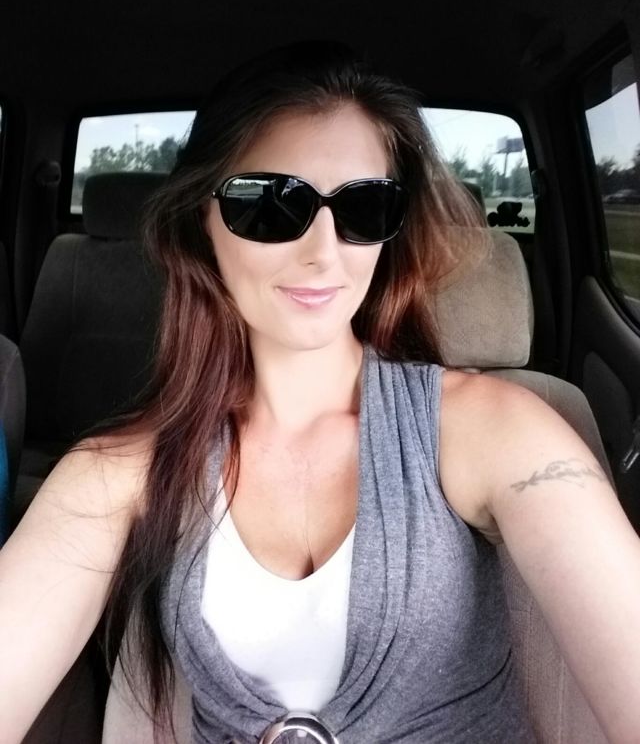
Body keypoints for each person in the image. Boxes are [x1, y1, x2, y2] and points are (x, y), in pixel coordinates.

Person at [1, 41, 639, 744]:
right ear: (201, 221)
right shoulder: (119, 471)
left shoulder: (498, 430)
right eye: (271, 205)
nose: (324, 250)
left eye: (365, 207)